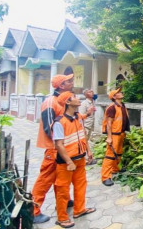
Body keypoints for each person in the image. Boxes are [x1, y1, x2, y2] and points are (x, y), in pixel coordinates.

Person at [32, 74, 74, 224]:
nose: (72, 83)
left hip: (62, 147)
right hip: (53, 148)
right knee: (46, 179)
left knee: (61, 177)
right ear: (61, 86)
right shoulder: (50, 102)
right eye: (69, 81)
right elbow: (49, 128)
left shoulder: (62, 101)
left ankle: (63, 200)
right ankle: (33, 210)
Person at [53, 91, 96, 228]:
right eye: (75, 97)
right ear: (68, 102)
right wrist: (69, 162)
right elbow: (59, 145)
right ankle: (62, 218)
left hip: (80, 159)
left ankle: (79, 210)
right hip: (66, 163)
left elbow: (82, 135)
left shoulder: (78, 117)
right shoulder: (59, 122)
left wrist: (88, 151)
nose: (78, 99)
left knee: (80, 186)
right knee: (63, 190)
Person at [101, 87, 130, 186]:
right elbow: (109, 123)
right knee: (110, 155)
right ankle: (105, 177)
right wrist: (109, 137)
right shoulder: (112, 107)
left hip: (121, 133)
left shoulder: (122, 105)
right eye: (118, 92)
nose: (121, 93)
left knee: (118, 152)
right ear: (114, 96)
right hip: (114, 134)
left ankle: (114, 169)